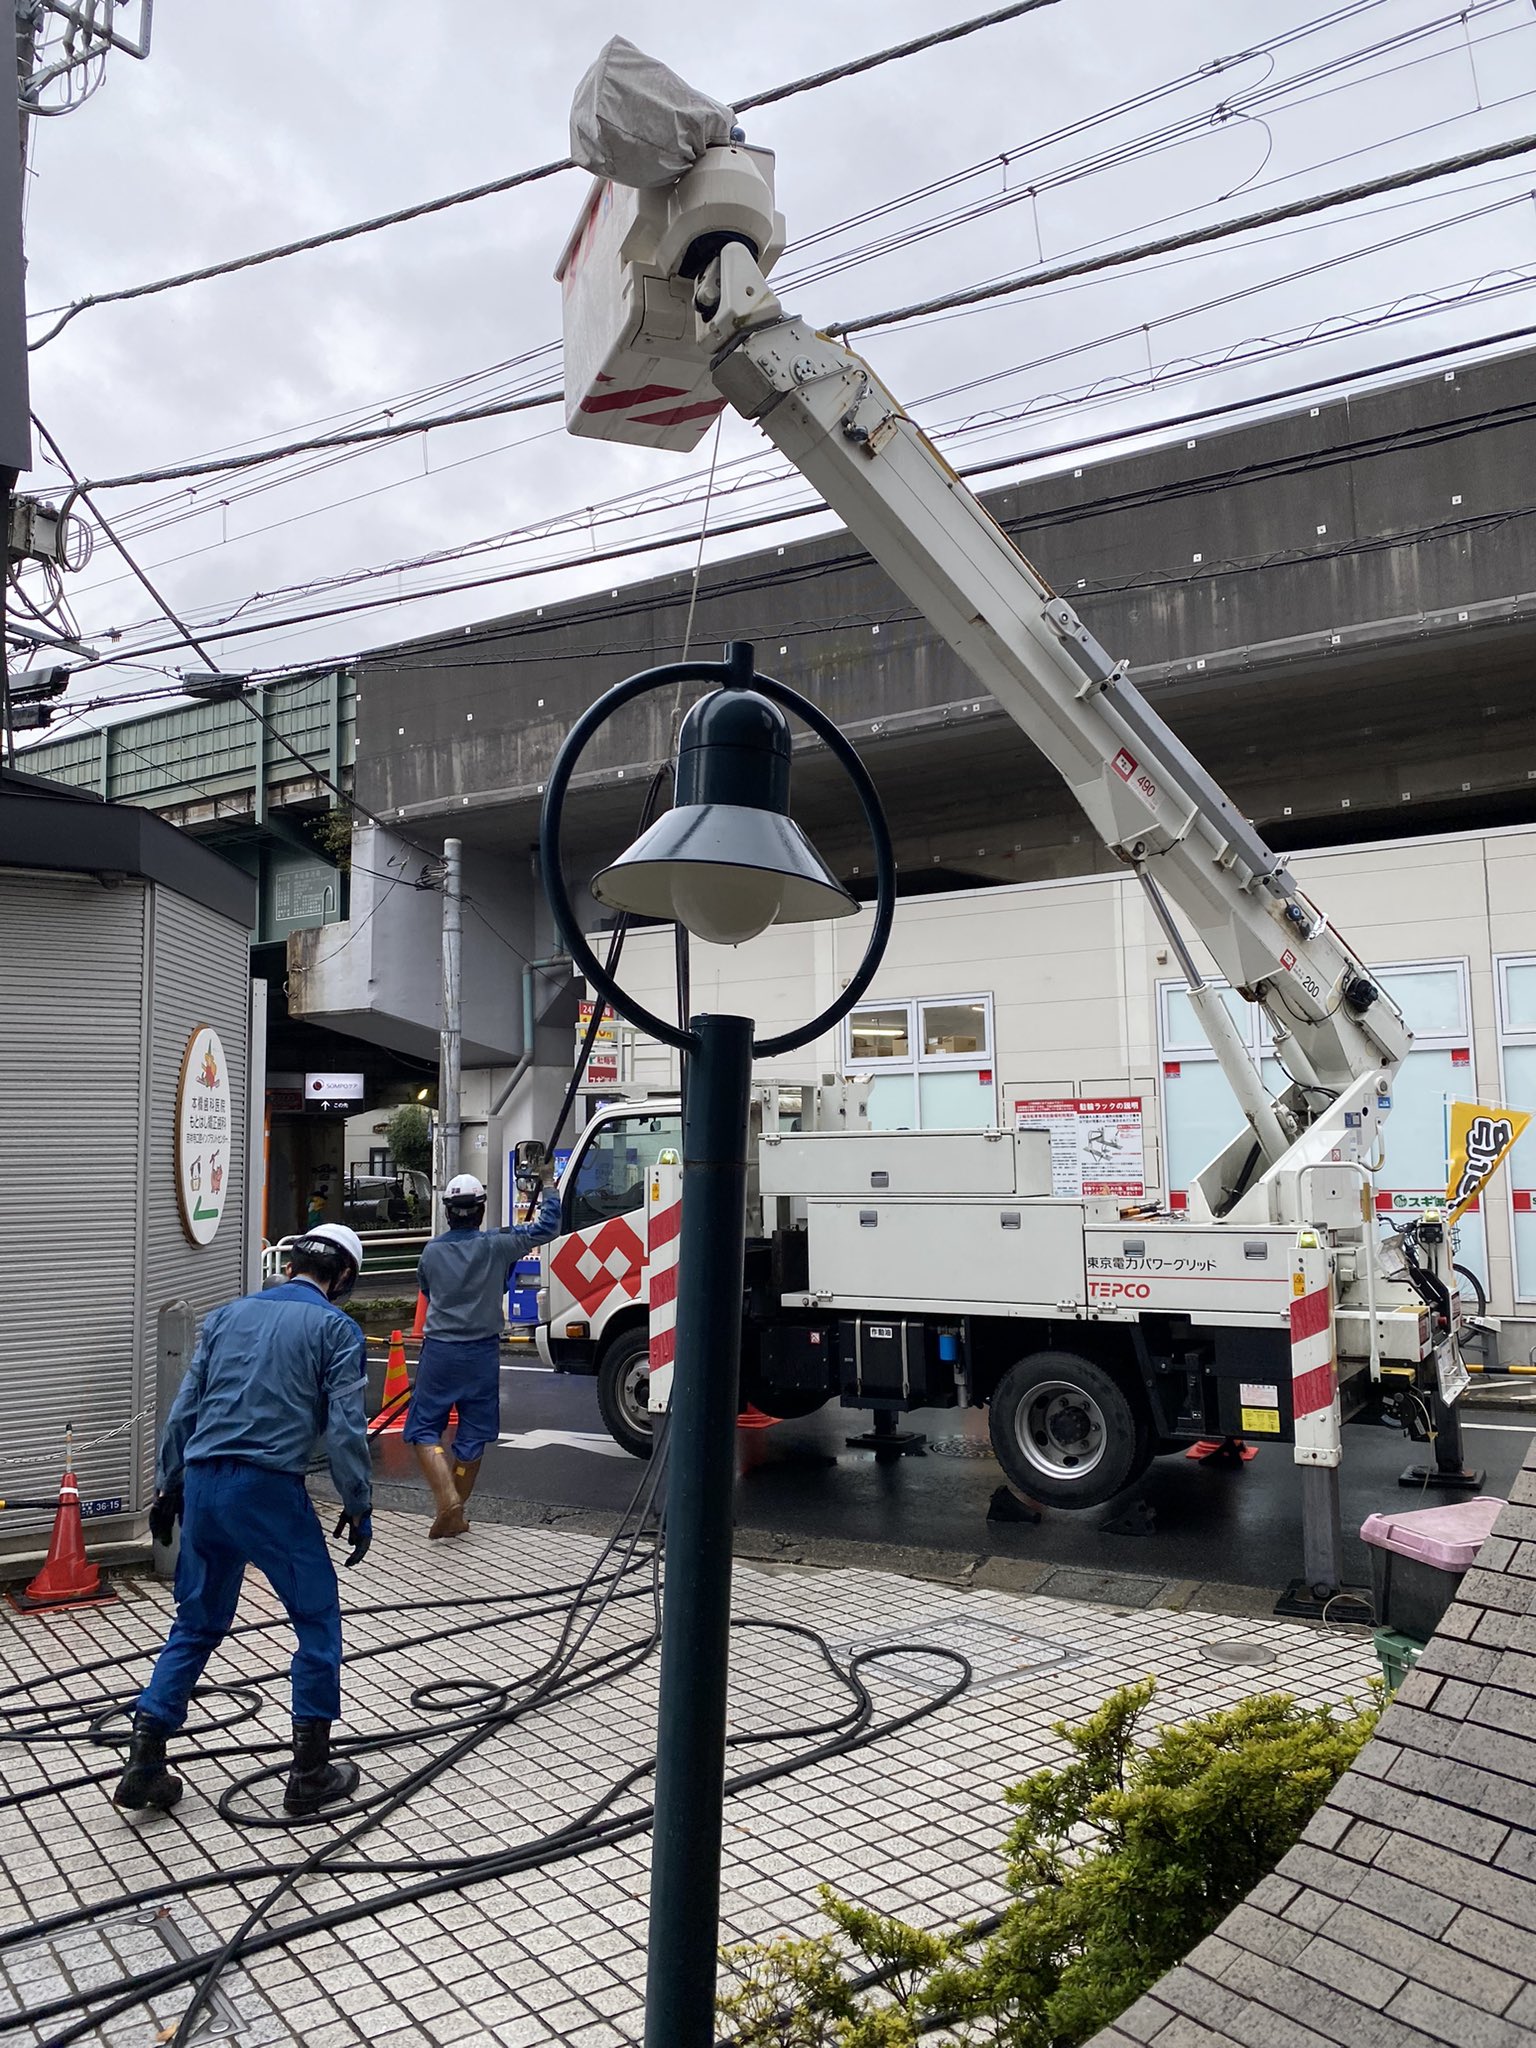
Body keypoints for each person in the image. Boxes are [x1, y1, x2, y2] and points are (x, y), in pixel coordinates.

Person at [114, 1223, 373, 1819]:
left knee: (198, 1621)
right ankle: (309, 1771)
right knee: (314, 1616)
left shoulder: (227, 1316)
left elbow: (185, 1408)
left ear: (290, 1265)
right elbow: (345, 1429)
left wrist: (167, 1488)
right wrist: (357, 1505)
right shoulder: (336, 1328)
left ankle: (146, 1754)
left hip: (203, 1482)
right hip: (267, 1489)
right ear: (345, 1278)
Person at [406, 1171, 562, 1539]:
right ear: (480, 1210)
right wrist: (549, 1186)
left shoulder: (432, 1251)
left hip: (440, 1351)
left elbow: (426, 1287)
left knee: (425, 1429)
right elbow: (548, 1226)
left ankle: (448, 1505)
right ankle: (454, 1509)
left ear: (447, 1212)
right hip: (481, 1353)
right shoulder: (498, 1244)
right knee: (473, 1435)